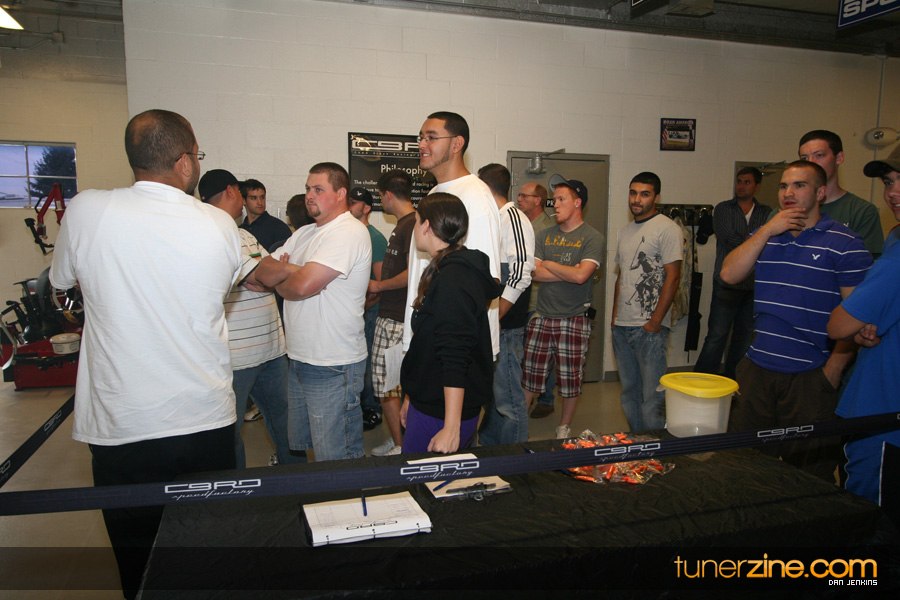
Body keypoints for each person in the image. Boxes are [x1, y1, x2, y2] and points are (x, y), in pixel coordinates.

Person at [49, 109, 241, 599]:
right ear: (185, 162)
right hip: (204, 418)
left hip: (124, 424)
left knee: (137, 561)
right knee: (208, 552)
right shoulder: (220, 224)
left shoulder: (87, 209)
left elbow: (62, 284)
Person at [722, 160, 872, 483]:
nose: (788, 193)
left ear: (820, 193)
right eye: (783, 186)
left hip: (809, 375)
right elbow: (729, 274)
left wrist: (833, 370)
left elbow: (858, 316)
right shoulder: (766, 236)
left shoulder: (845, 243)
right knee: (740, 466)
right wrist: (766, 230)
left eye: (799, 185)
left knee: (807, 475)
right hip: (758, 369)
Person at [251, 163, 371, 462]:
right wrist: (296, 272)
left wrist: (286, 275)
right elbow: (261, 272)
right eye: (307, 188)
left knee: (337, 455)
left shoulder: (348, 232)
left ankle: (346, 494)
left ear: (340, 194)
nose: (309, 196)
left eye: (318, 189)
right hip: (301, 357)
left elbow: (301, 286)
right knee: (310, 448)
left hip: (333, 363)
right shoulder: (304, 233)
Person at [197, 169, 303, 469]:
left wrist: (268, 274)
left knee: (284, 420)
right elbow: (265, 276)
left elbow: (266, 275)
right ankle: (238, 489)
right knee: (229, 429)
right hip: (237, 357)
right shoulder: (213, 235)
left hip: (271, 350)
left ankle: (296, 479)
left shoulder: (244, 235)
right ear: (232, 191)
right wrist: (296, 271)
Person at [827, 158, 900, 524]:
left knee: (872, 527)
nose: (894, 192)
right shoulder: (895, 239)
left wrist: (856, 322)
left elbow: (839, 325)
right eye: (889, 182)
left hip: (886, 418)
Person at [400, 193, 500, 454]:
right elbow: (427, 343)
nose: (415, 228)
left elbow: (455, 354)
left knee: (421, 477)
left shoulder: (454, 279)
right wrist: (412, 396)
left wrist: (451, 427)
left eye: (416, 221)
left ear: (426, 225)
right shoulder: (445, 269)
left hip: (441, 413)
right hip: (429, 401)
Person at [403, 111, 501, 358]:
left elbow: (484, 282)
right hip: (429, 339)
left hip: (455, 349)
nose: (422, 144)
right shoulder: (435, 193)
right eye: (421, 137)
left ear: (457, 144)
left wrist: (454, 350)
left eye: (432, 137)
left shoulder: (475, 197)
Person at [522, 175, 604, 439]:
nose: (554, 204)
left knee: (570, 381)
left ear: (577, 202)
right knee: (530, 378)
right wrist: (569, 270)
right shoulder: (545, 235)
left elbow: (581, 277)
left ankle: (563, 427)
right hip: (542, 316)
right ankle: (518, 428)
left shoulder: (592, 237)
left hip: (574, 318)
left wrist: (550, 264)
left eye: (561, 199)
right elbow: (534, 273)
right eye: (554, 199)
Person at [611, 172, 683, 433]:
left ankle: (655, 445)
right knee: (629, 392)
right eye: (633, 193)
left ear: (656, 197)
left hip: (649, 329)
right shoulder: (625, 231)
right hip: (622, 326)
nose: (637, 199)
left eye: (644, 194)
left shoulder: (668, 229)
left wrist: (655, 322)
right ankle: (637, 442)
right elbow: (622, 276)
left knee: (653, 394)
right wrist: (614, 317)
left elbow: (673, 277)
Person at [694, 167, 772, 380]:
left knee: (744, 339)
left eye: (747, 182)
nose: (741, 186)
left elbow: (769, 242)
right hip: (726, 285)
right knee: (716, 336)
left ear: (757, 186)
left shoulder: (766, 212)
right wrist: (757, 239)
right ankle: (702, 382)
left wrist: (756, 240)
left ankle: (733, 382)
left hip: (753, 286)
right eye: (739, 181)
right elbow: (728, 239)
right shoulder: (724, 209)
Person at [477, 164, 535, 445]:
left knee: (509, 400)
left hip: (507, 327)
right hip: (492, 326)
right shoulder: (491, 219)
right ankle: (491, 454)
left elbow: (521, 272)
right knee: (491, 399)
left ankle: (515, 459)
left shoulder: (513, 218)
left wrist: (497, 315)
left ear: (486, 188)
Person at [368, 169, 417, 457]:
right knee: (393, 387)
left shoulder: (411, 225)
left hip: (396, 320)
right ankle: (401, 441)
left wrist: (379, 285)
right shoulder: (406, 224)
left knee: (387, 388)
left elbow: (414, 274)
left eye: (380, 196)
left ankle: (402, 446)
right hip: (395, 318)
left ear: (387, 195)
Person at [798, 130, 884, 256]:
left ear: (839, 158)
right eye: (804, 158)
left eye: (819, 155)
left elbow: (864, 262)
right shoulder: (788, 210)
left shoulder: (861, 211)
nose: (811, 163)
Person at [516, 182, 558, 418]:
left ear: (538, 200)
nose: (519, 199)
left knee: (543, 353)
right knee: (526, 354)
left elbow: (549, 268)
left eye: (525, 196)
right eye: (519, 195)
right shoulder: (519, 224)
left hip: (539, 301)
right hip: (518, 298)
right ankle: (525, 396)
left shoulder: (548, 229)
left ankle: (546, 399)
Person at [348, 186, 388, 432]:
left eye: (354, 202)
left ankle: (372, 409)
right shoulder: (346, 234)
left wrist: (362, 308)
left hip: (370, 312)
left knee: (369, 363)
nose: (349, 205)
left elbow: (380, 283)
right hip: (353, 311)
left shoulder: (375, 238)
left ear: (366, 208)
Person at [239, 178, 292, 250]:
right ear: (243, 201)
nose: (260, 202)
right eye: (254, 198)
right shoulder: (239, 230)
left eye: (262, 197)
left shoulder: (279, 228)